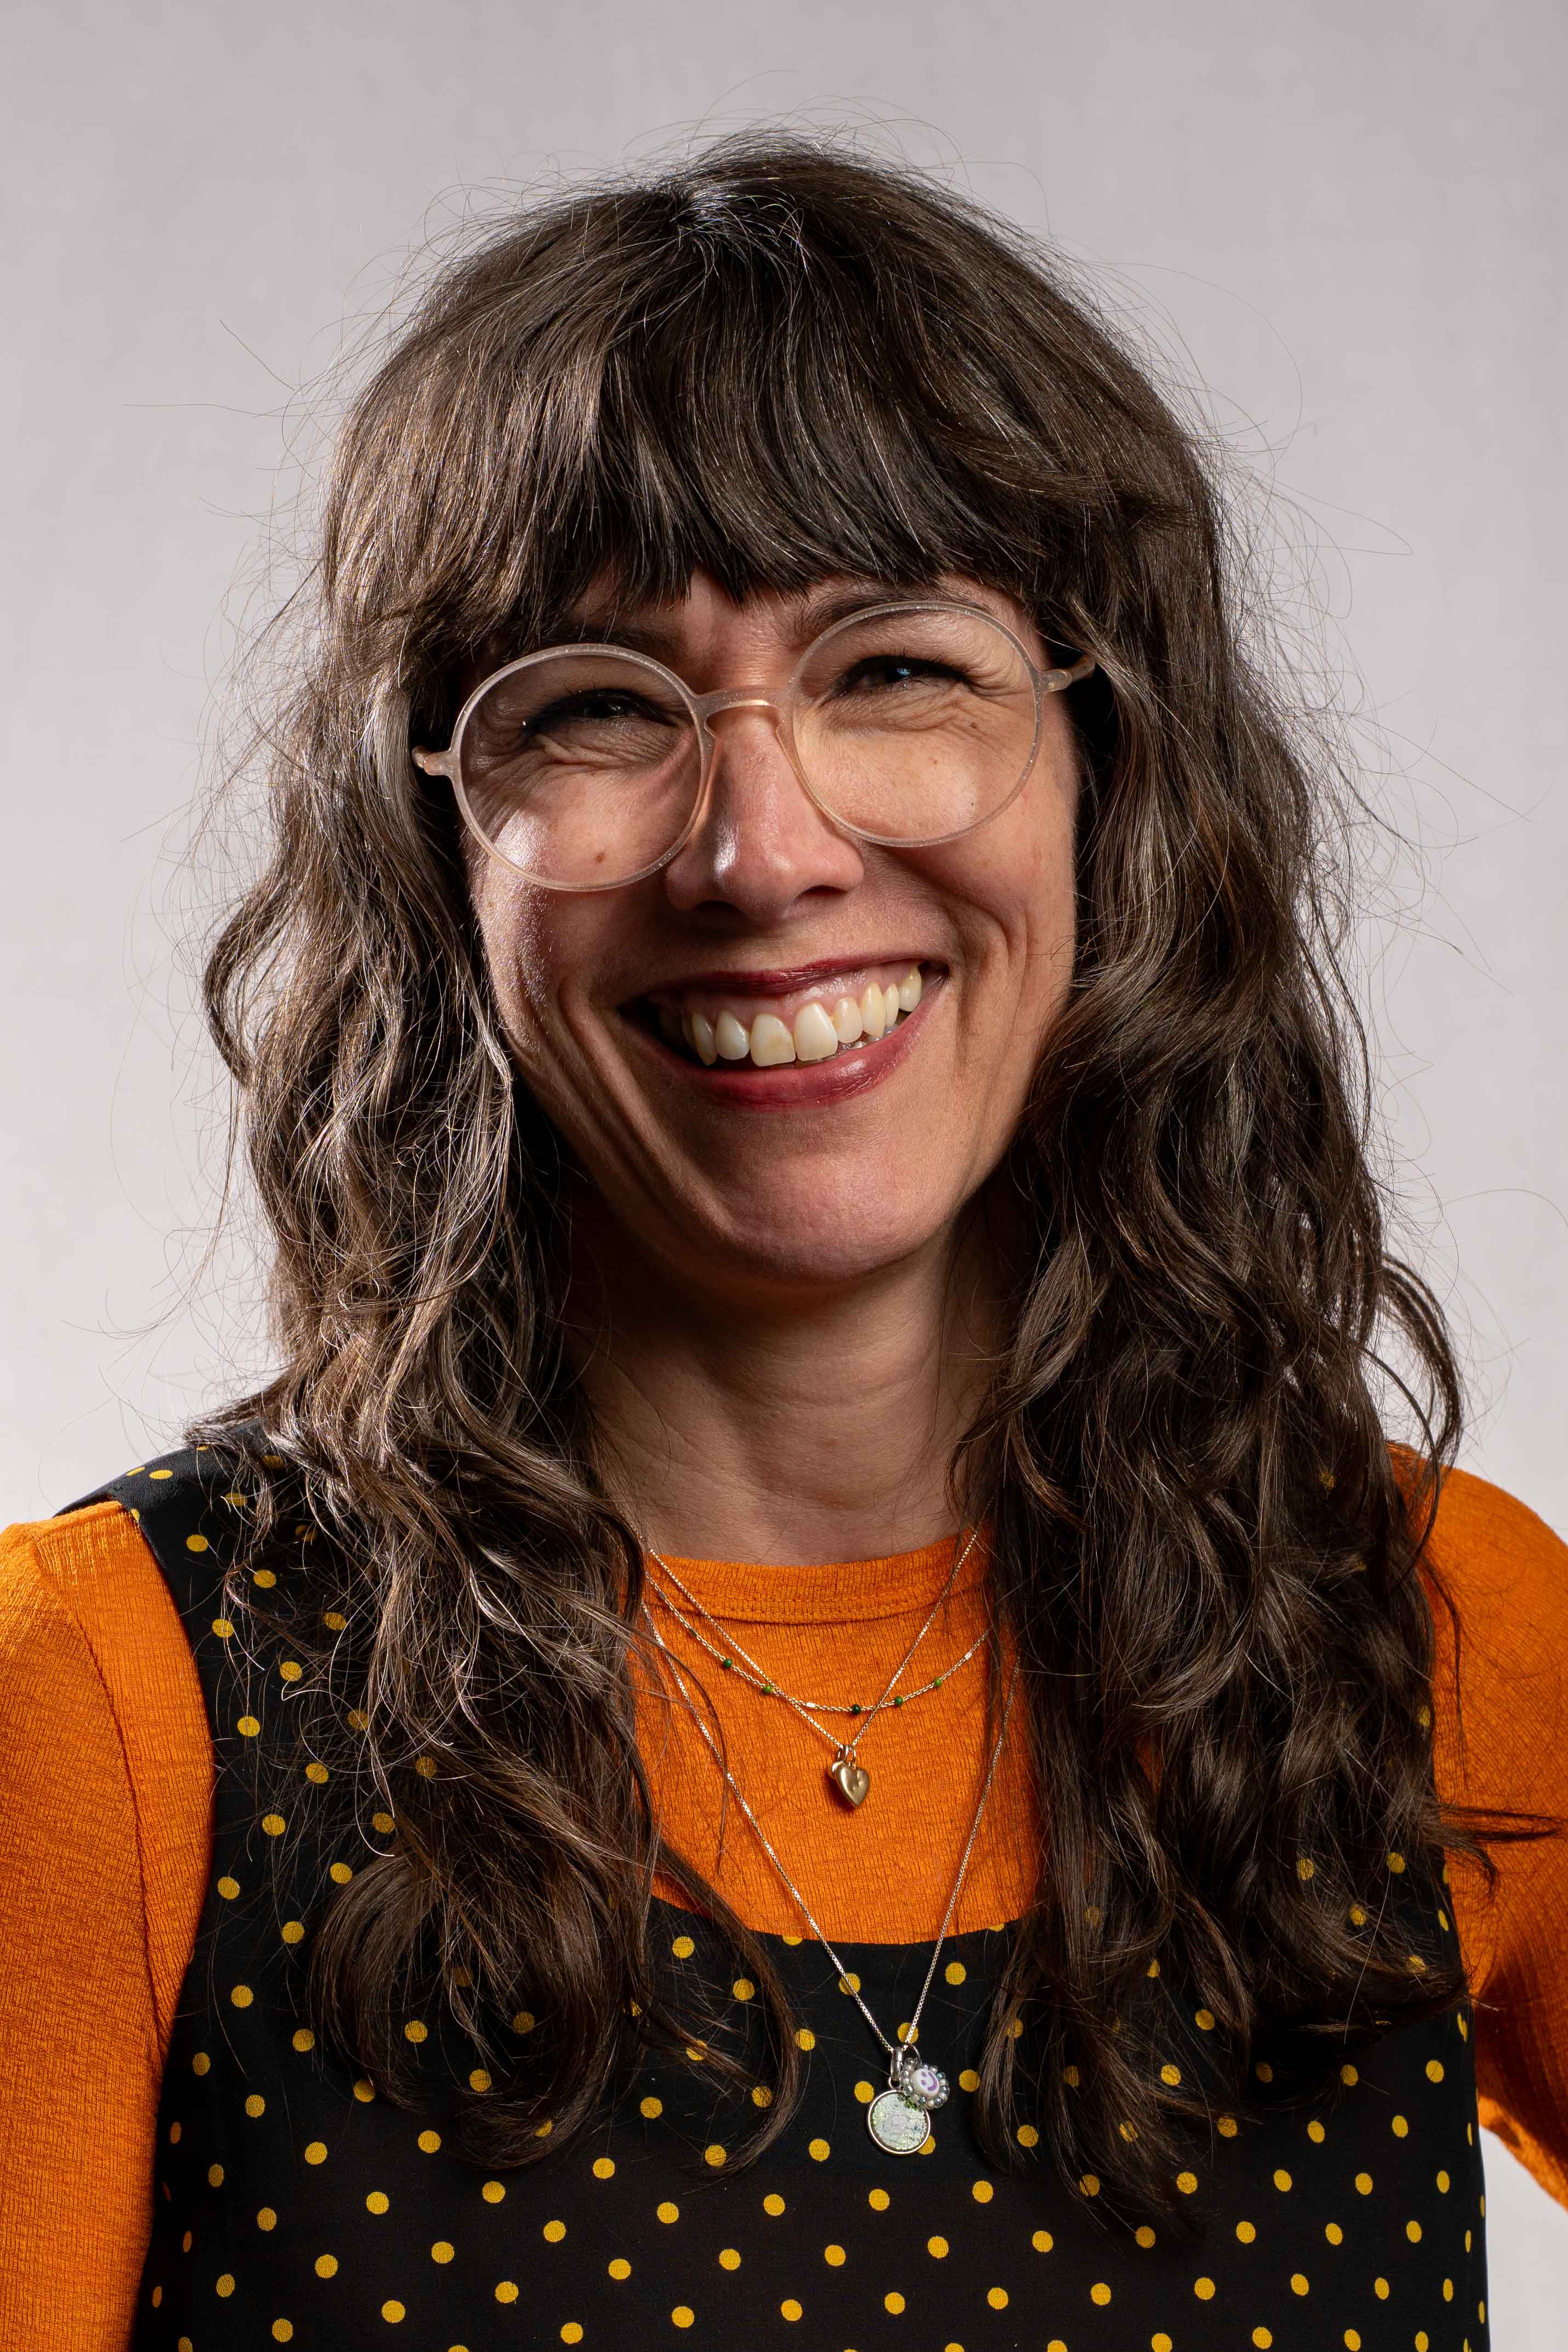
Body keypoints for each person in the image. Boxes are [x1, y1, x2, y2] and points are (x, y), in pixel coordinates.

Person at [2, 131, 1564, 2352]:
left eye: (897, 670)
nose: (758, 853)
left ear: (1109, 772)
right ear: (436, 851)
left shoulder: (1435, 1639)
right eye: (596, 706)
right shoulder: (100, 1703)